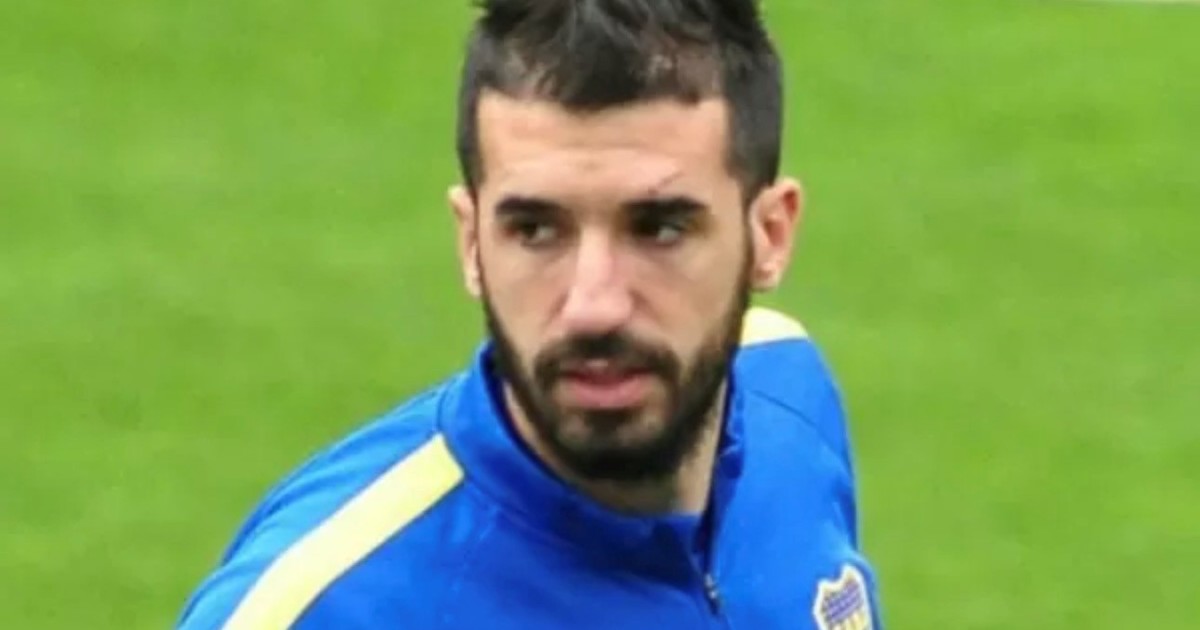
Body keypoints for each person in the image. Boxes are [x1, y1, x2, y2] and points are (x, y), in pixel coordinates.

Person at [177, 0, 884, 628]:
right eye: (536, 230)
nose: (594, 305)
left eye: (660, 229)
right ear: (472, 243)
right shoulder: (328, 608)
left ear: (769, 235)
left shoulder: (782, 391)